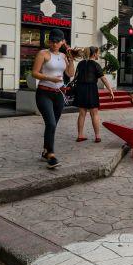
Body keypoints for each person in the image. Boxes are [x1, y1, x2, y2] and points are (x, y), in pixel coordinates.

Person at [31, 29, 75, 168]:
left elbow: (70, 73)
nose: (54, 44)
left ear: (63, 42)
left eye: (58, 41)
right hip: (44, 93)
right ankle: (51, 155)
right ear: (49, 41)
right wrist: (50, 78)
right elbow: (34, 73)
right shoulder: (43, 53)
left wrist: (71, 60)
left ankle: (46, 151)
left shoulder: (63, 56)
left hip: (59, 94)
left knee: (53, 125)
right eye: (52, 41)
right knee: (51, 123)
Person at [74, 47, 114, 143]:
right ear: (94, 54)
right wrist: (110, 90)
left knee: (82, 113)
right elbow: (103, 79)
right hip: (91, 89)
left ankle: (80, 135)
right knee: (94, 113)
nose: (99, 55)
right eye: (98, 53)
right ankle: (97, 136)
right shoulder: (96, 65)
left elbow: (76, 76)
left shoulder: (80, 63)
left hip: (80, 88)